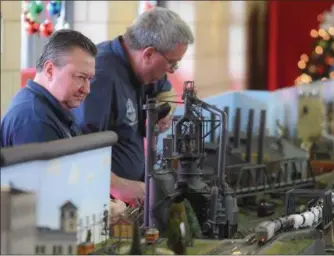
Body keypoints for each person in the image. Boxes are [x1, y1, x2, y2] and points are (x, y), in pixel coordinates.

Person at [72, 7, 195, 202]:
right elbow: (79, 149)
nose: (172, 70)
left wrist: (165, 111)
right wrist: (119, 186)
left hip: (133, 195)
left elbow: (166, 91)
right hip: (103, 201)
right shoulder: (100, 77)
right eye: (172, 63)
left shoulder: (143, 69)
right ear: (148, 54)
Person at [0, 29, 127, 216]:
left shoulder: (55, 108)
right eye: (80, 77)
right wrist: (104, 210)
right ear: (50, 70)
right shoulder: (34, 118)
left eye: (89, 79)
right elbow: (48, 204)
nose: (87, 89)